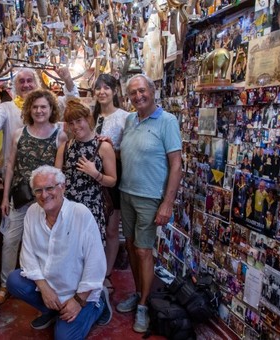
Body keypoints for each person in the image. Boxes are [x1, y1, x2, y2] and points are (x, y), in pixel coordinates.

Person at [6, 165, 113, 338]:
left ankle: (99, 304)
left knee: (63, 337)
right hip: (50, 288)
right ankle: (52, 310)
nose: (44, 195)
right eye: (38, 190)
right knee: (14, 281)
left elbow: (96, 263)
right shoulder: (33, 212)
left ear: (63, 187)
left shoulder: (80, 214)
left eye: (49, 188)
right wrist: (44, 288)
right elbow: (28, 255)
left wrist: (78, 300)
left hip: (78, 292)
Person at [117, 74, 182, 333]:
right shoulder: (130, 120)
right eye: (133, 93)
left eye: (142, 91)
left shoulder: (167, 121)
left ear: (153, 92)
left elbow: (176, 165)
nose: (138, 96)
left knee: (144, 250)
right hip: (126, 193)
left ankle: (144, 303)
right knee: (132, 246)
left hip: (150, 196)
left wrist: (167, 203)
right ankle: (138, 292)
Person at [0, 89, 67, 304]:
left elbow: (58, 172)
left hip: (47, 199)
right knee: (10, 240)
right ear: (29, 109)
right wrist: (4, 197)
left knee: (45, 242)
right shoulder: (19, 133)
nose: (39, 111)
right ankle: (4, 283)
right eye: (35, 107)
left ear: (51, 109)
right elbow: (10, 167)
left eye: (43, 107)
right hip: (19, 196)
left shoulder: (60, 134)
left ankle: (44, 283)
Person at [0, 67, 77, 175]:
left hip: (46, 177)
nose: (26, 85)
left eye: (29, 80)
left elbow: (72, 104)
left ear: (37, 83)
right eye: (21, 81)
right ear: (15, 86)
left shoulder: (49, 104)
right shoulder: (6, 107)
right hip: (15, 176)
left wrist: (68, 80)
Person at [55, 98, 116, 244]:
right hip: (68, 209)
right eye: (71, 123)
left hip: (92, 209)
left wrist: (95, 174)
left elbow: (112, 181)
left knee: (91, 255)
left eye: (79, 121)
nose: (75, 126)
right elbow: (56, 179)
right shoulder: (65, 147)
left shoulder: (103, 147)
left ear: (88, 119)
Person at [92, 73, 131, 293]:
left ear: (114, 91)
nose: (102, 92)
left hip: (114, 178)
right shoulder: (91, 116)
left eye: (107, 88)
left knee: (111, 230)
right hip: (89, 179)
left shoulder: (125, 117)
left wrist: (111, 150)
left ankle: (106, 274)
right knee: (91, 229)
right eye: (98, 88)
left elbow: (129, 150)